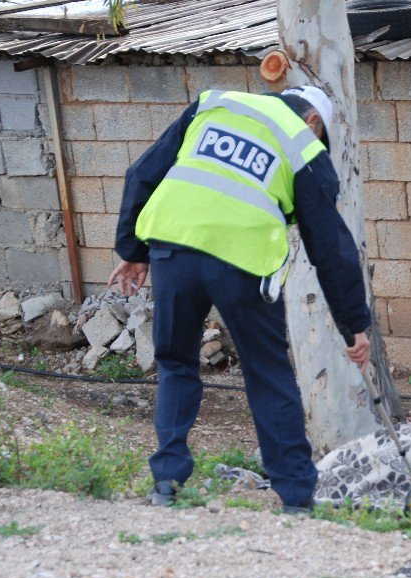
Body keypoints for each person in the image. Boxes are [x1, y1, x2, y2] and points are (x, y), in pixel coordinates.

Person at [108, 85, 371, 513]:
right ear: (314, 122)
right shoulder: (303, 144)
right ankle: (297, 499)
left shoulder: (215, 104)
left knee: (175, 362)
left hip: (173, 249)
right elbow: (331, 247)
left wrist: (133, 252)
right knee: (267, 373)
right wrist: (352, 323)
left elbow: (142, 173)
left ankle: (166, 482)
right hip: (241, 262)